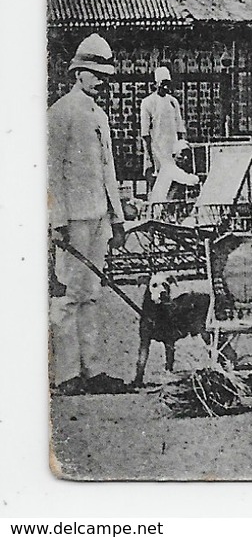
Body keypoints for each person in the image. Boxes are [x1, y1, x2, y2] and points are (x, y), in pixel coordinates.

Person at [48, 33, 133, 395]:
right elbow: (50, 171)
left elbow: (107, 169)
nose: (100, 80)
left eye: (104, 74)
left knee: (93, 292)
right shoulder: (59, 113)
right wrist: (57, 222)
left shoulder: (99, 115)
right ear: (77, 73)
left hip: (99, 215)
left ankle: (94, 369)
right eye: (92, 72)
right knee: (69, 294)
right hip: (73, 218)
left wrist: (118, 219)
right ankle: (67, 374)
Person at [140, 65, 186, 189]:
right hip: (157, 151)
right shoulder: (148, 102)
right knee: (157, 187)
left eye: (168, 83)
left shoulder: (173, 102)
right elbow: (145, 134)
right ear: (156, 84)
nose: (165, 87)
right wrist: (151, 156)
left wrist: (179, 149)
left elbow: (180, 129)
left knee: (174, 185)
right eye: (162, 83)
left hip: (172, 150)